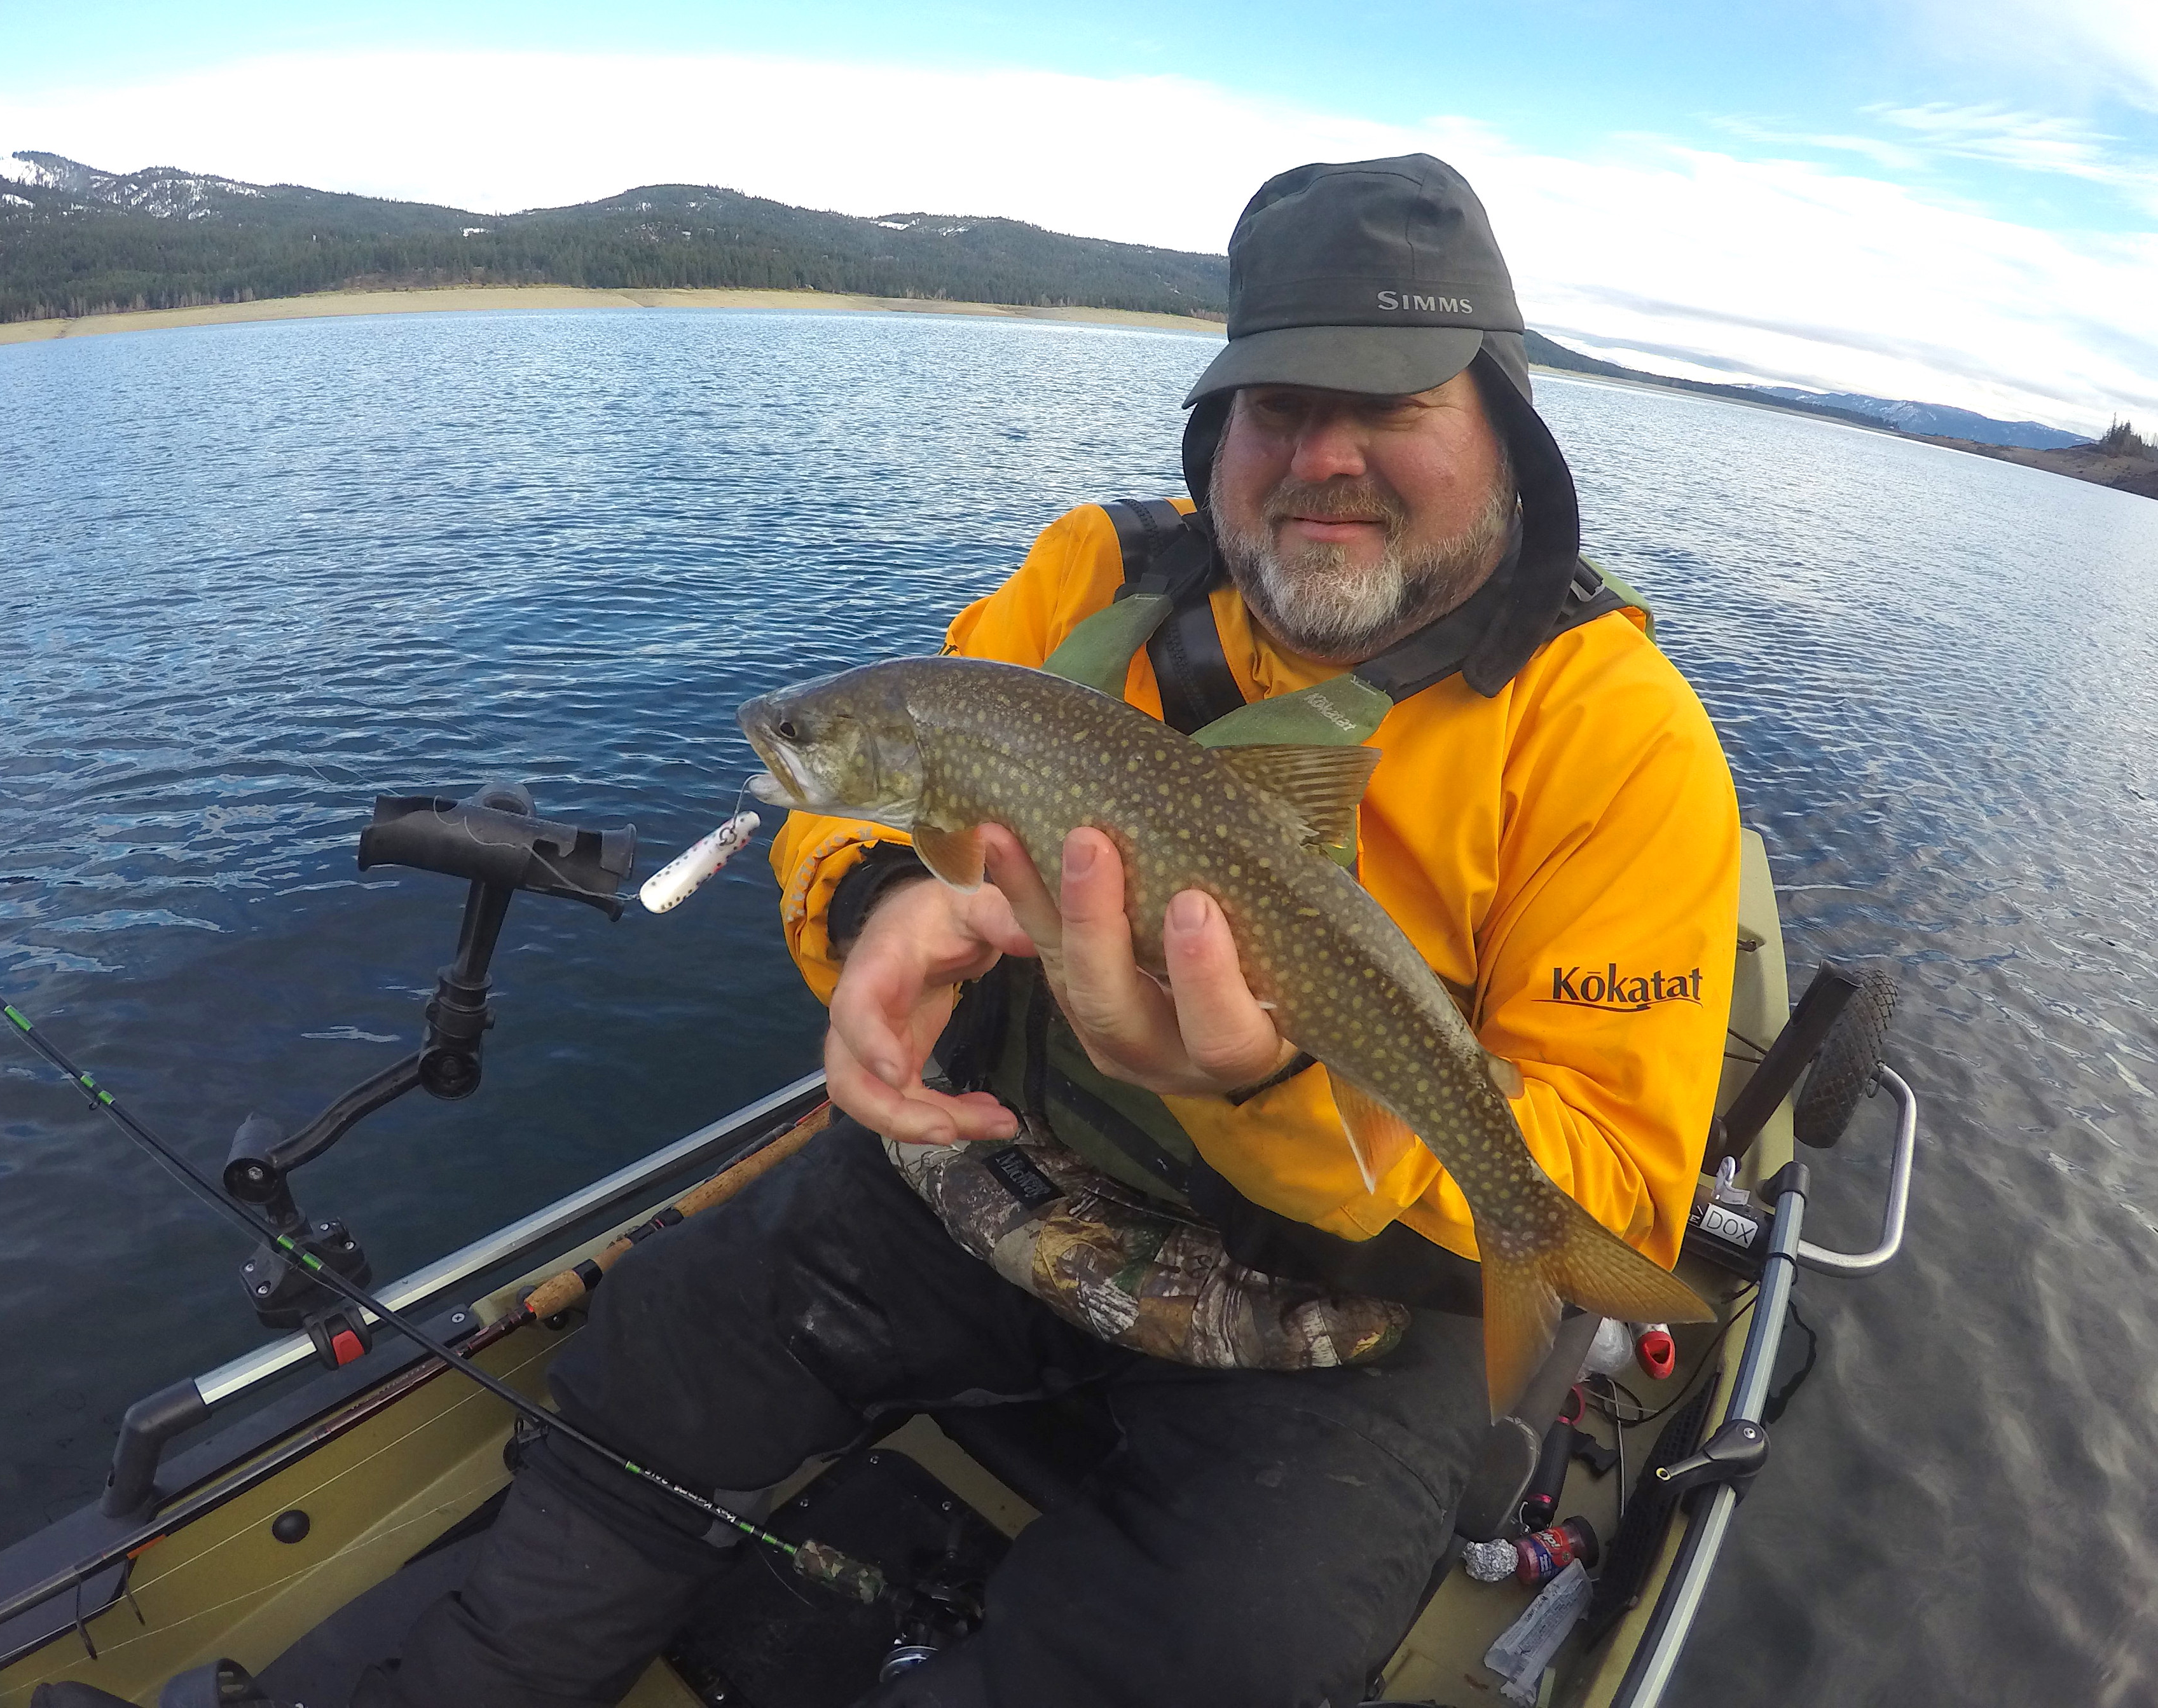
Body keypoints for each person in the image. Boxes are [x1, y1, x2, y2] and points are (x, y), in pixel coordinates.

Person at [361, 153, 1742, 1708]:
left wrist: (1271, 1088)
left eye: (1392, 402)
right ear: (1217, 427)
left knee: (1223, 1654)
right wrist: (877, 903)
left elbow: (1623, 1175)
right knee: (672, 1332)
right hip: (1020, 1150)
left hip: (1363, 1311)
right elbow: (871, 793)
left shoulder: (1621, 741)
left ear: (1501, 419)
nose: (1323, 455)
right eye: (1276, 405)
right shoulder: (1102, 578)